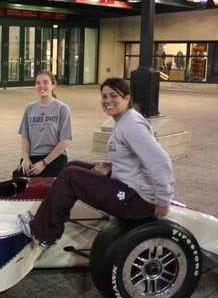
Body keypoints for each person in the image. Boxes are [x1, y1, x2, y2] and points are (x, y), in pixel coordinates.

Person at [23, 77, 174, 248]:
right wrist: (109, 167)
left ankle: (44, 234)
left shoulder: (132, 125)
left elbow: (161, 162)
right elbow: (132, 158)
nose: (108, 101)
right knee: (73, 166)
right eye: (104, 96)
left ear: (127, 98)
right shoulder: (124, 120)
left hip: (137, 201)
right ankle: (49, 217)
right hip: (128, 187)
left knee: (70, 176)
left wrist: (163, 201)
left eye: (114, 96)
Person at [18, 70, 72, 177]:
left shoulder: (62, 109)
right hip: (34, 156)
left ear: (53, 85)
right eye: (38, 83)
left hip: (56, 157)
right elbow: (25, 137)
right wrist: (25, 159)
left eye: (46, 82)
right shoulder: (30, 108)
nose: (41, 85)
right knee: (18, 181)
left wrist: (44, 163)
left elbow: (65, 140)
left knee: (45, 184)